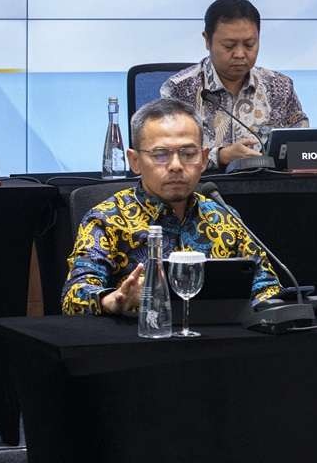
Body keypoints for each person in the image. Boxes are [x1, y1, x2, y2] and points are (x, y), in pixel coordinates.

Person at [63, 98, 282, 315]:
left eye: (188, 154)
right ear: (135, 161)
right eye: (160, 155)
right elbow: (74, 297)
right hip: (141, 335)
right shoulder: (106, 219)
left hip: (220, 334)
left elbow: (267, 288)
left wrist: (273, 304)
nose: (176, 166)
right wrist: (113, 300)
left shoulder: (224, 217)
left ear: (204, 159)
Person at [161, 0, 307, 170]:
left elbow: (303, 147)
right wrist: (220, 156)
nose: (240, 54)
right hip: (204, 185)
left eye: (249, 44)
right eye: (229, 46)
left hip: (268, 183)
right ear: (207, 40)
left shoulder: (280, 87)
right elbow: (166, 153)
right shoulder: (179, 89)